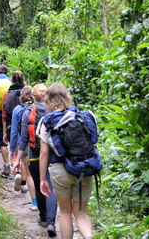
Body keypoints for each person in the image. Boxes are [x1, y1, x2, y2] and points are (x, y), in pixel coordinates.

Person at [39, 83, 94, 239]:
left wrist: (43, 179)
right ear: (66, 97)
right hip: (83, 168)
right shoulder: (80, 116)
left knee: (65, 212)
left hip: (60, 170)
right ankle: (89, 237)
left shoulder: (47, 120)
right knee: (81, 212)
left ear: (48, 99)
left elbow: (44, 153)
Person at [13, 83, 57, 237]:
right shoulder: (53, 111)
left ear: (33, 96)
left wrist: (18, 159)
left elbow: (24, 138)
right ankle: (52, 222)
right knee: (51, 186)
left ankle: (43, 218)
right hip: (53, 155)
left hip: (34, 154)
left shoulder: (28, 112)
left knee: (39, 185)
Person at [8, 85, 37, 211]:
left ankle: (35, 202)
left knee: (29, 171)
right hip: (39, 143)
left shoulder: (17, 109)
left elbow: (14, 131)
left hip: (23, 144)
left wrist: (12, 148)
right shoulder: (39, 108)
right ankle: (45, 201)